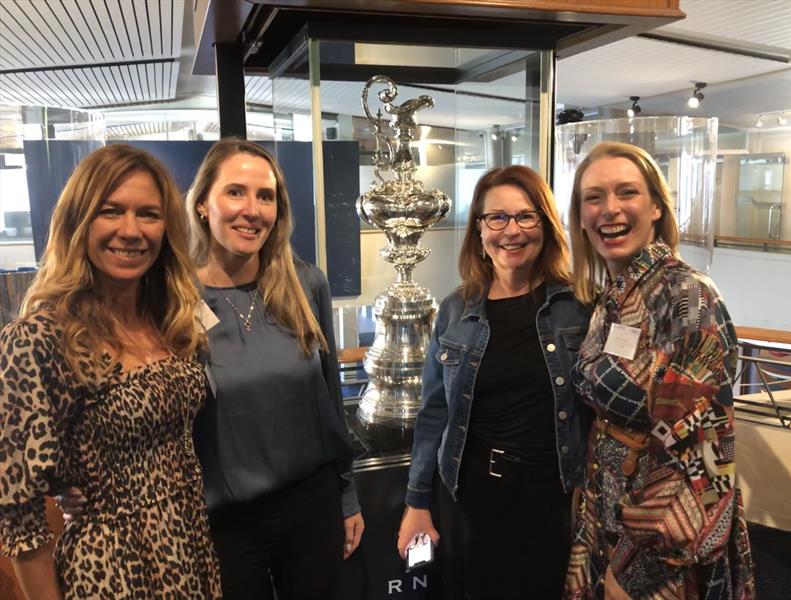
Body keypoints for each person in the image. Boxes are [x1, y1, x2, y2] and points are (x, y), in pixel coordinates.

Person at [0, 145, 221, 599]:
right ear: (79, 222)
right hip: (112, 569)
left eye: (148, 214)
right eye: (111, 211)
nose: (131, 230)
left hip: (192, 551)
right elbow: (19, 515)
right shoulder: (38, 339)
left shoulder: (171, 317)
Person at [563, 142, 756, 600]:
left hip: (664, 543)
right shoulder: (612, 295)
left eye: (626, 192)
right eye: (594, 197)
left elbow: (702, 455)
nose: (609, 209)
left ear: (655, 207)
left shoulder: (688, 299)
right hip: (608, 510)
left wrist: (636, 569)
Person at [398, 165, 592, 599]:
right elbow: (434, 416)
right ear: (480, 231)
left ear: (545, 224)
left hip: (550, 501)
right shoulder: (454, 311)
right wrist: (416, 503)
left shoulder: (578, 307)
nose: (512, 231)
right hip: (470, 498)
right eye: (497, 218)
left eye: (526, 216)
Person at [186, 139, 364, 599]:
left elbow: (329, 401)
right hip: (223, 521)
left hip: (311, 504)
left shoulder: (306, 283)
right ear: (204, 203)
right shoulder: (175, 297)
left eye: (265, 196)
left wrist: (347, 495)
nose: (252, 209)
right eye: (235, 192)